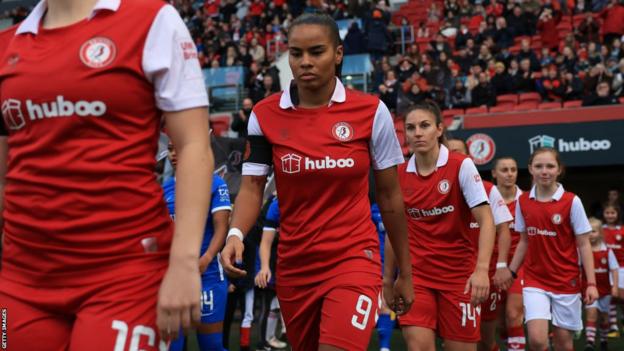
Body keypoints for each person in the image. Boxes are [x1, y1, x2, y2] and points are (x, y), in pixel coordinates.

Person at [0, 0, 213, 349]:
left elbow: (193, 146)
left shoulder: (152, 20)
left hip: (126, 274)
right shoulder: (7, 44)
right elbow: (5, 176)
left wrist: (184, 263)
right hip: (23, 280)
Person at [220, 13, 414, 351]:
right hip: (296, 265)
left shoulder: (371, 112)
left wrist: (404, 273)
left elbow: (391, 198)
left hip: (354, 257)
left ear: (338, 54)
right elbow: (252, 188)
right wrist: (235, 234)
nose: (305, 62)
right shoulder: (264, 115)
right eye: (296, 53)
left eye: (317, 51)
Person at [387, 102, 496, 350]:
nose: (417, 133)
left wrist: (481, 270)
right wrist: (387, 279)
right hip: (417, 278)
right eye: (410, 128)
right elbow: (394, 233)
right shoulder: (399, 174)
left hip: (459, 278)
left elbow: (486, 219)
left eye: (424, 126)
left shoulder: (461, 165)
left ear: (439, 129)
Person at [506, 147, 598, 351]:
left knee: (563, 343)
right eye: (538, 166)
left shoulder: (572, 201)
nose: (544, 171)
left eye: (550, 166)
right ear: (530, 169)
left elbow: (584, 244)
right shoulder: (523, 201)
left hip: (566, 281)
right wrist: (511, 271)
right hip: (534, 280)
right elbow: (524, 241)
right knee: (537, 341)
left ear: (559, 170)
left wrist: (591, 283)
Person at [446, 139, 514, 351]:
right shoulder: (439, 188)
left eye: (459, 152)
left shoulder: (487, 189)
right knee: (454, 342)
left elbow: (503, 229)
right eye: (450, 152)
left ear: (468, 157)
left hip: (485, 274)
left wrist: (501, 266)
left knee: (485, 340)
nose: (454, 156)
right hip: (451, 274)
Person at [164, 143, 231, 351]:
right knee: (172, 346)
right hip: (173, 279)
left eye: (179, 148)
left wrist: (207, 258)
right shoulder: (164, 187)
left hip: (208, 274)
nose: (173, 154)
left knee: (211, 346)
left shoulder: (214, 183)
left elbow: (222, 227)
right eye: (170, 149)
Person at [491, 157, 526, 351]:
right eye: (504, 170)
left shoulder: (527, 200)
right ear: (494, 173)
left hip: (518, 266)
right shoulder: (484, 200)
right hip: (493, 267)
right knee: (499, 324)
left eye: (513, 169)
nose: (510, 173)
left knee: (513, 314)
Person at [255, 196, 288, 350]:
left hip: (284, 269)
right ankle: (263, 343)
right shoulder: (275, 205)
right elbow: (265, 242)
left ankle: (270, 338)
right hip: (274, 270)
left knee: (275, 307)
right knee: (267, 307)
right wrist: (264, 267)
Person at [584, 218, 619, 351]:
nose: (590, 234)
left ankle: (604, 340)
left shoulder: (607, 251)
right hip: (589, 289)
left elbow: (614, 269)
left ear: (600, 233)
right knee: (591, 313)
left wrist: (614, 286)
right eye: (588, 231)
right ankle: (590, 342)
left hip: (605, 290)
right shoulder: (583, 250)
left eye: (593, 231)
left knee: (604, 317)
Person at [371, 202, 396, 351]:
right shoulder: (374, 209)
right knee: (384, 303)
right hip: (382, 262)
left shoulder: (410, 204)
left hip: (407, 261)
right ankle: (384, 347)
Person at [602, 204, 624, 337]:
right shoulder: (600, 229)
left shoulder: (621, 230)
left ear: (617, 214)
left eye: (613, 213)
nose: (610, 215)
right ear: (604, 214)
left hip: (621, 267)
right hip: (606, 268)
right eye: (607, 212)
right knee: (610, 296)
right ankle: (613, 326)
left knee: (621, 297)